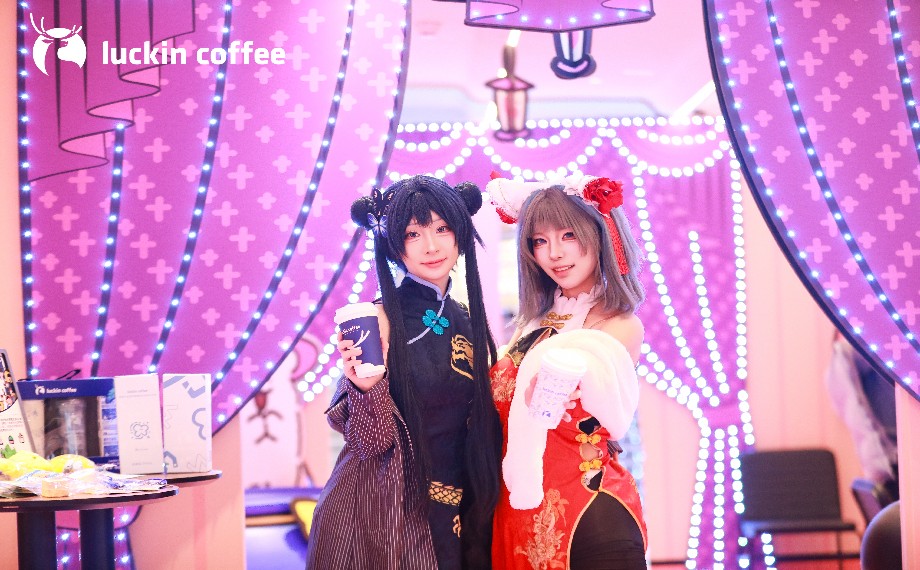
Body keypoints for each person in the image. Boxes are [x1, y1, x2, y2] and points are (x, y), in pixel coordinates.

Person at [305, 176, 502, 569]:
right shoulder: (377, 321)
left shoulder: (465, 317)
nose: (431, 246)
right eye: (413, 233)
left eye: (442, 229)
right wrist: (367, 388)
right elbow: (369, 443)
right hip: (384, 512)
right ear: (393, 245)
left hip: (458, 507)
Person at [487, 174, 648, 569]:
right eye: (539, 241)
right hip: (520, 515)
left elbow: (588, 388)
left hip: (590, 515)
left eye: (568, 235)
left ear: (601, 236)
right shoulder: (530, 324)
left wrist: (548, 391)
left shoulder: (618, 326)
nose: (554, 254)